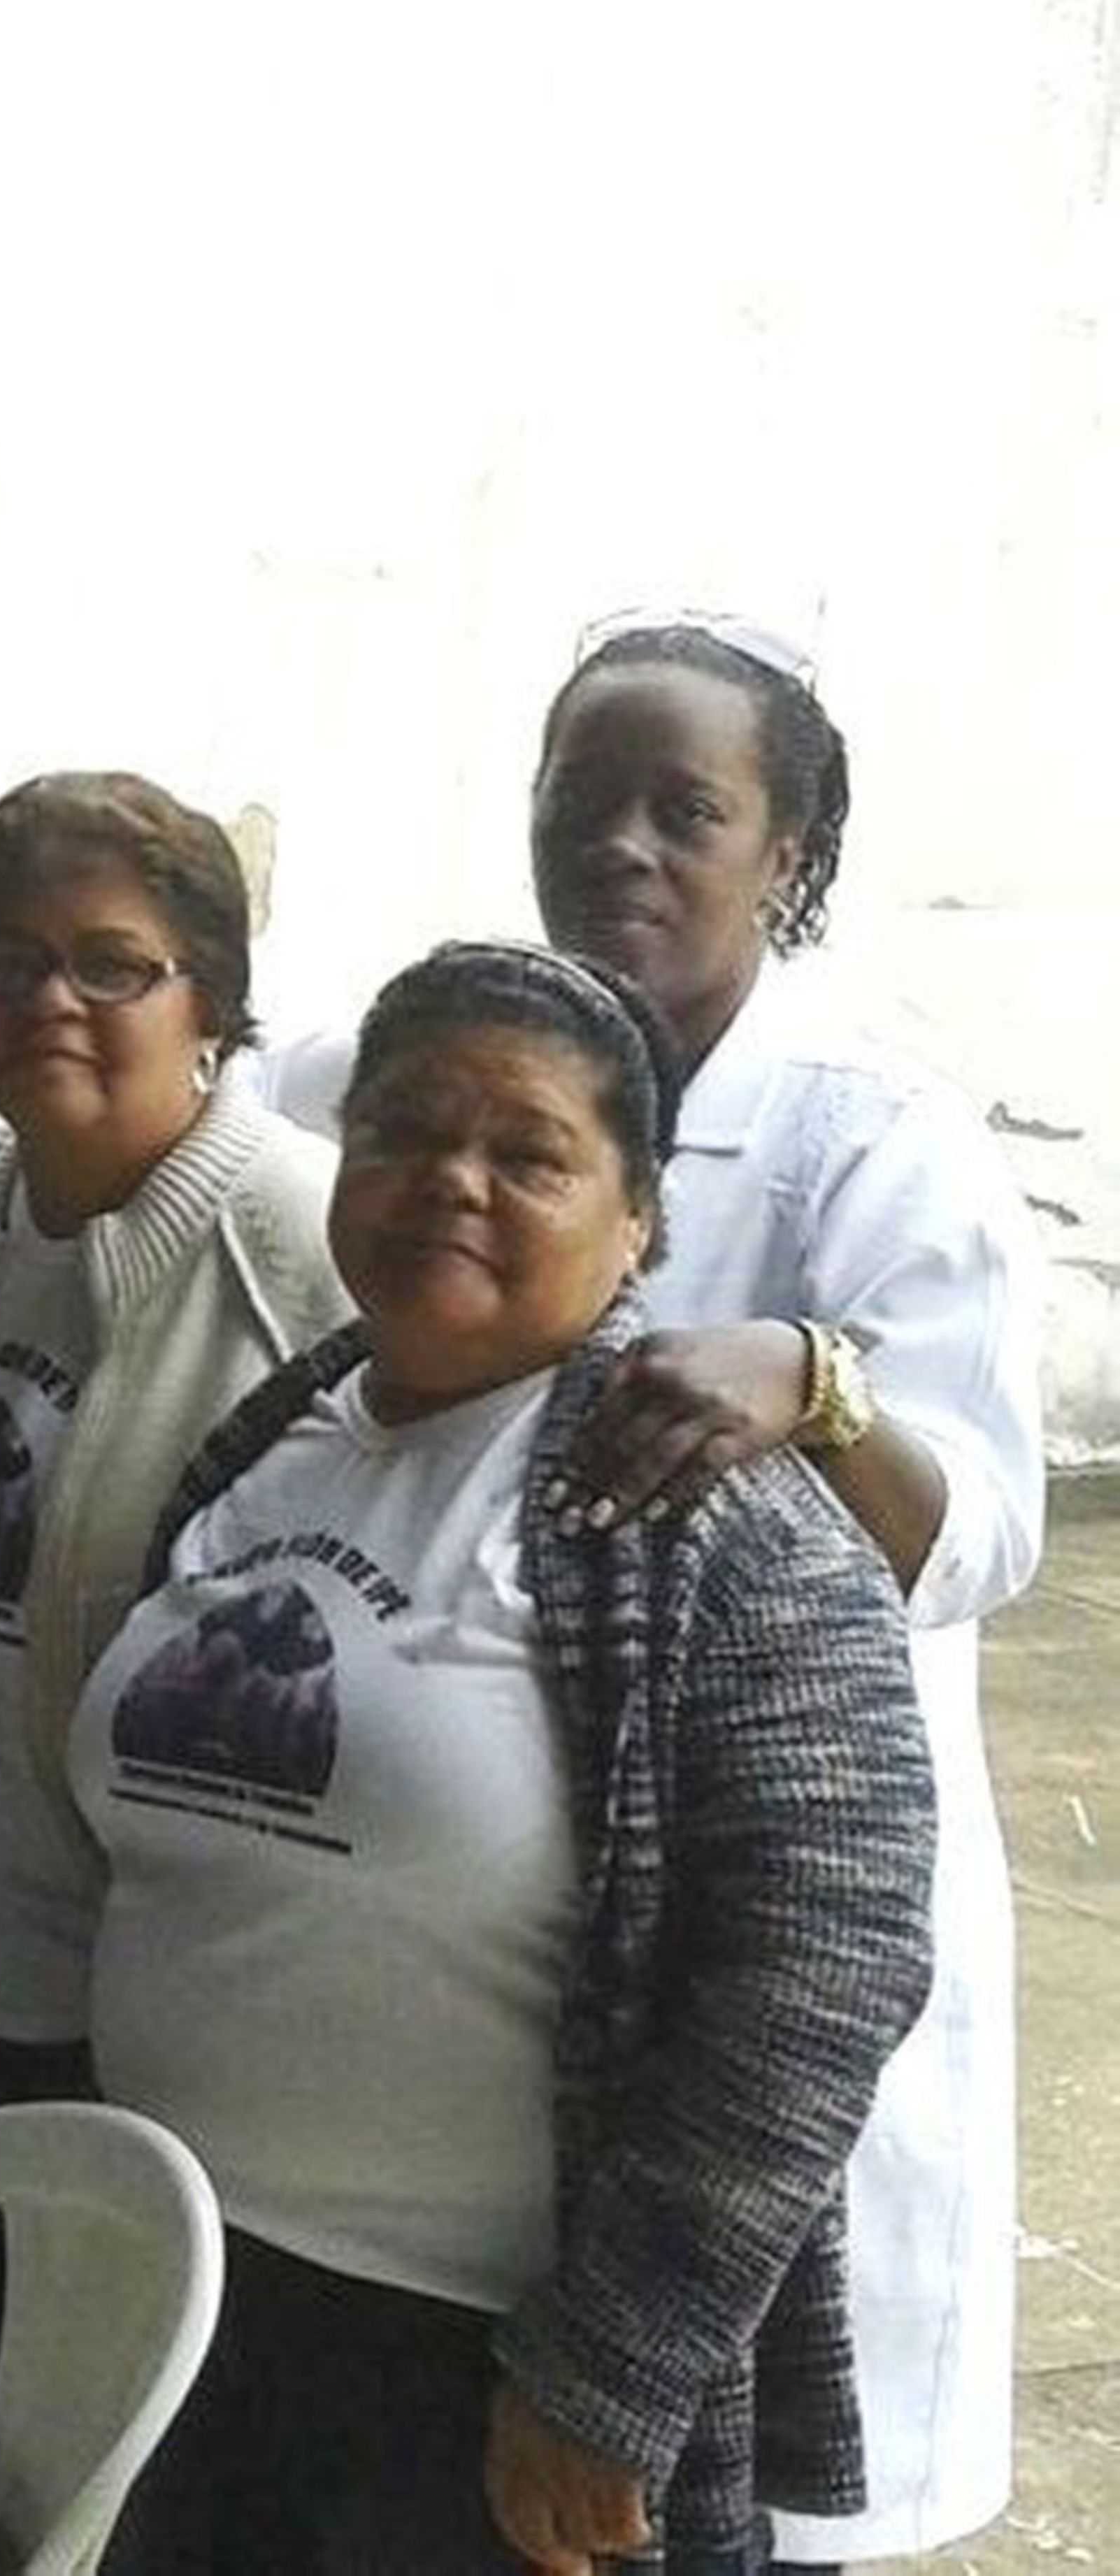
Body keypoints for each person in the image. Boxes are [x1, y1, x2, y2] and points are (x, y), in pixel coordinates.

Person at [80, 942, 935, 2573]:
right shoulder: (272, 1435)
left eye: (526, 1154)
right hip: (171, 2304)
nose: (445, 1183)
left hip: (479, 2385)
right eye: (397, 1133)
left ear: (636, 1222)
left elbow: (824, 1961)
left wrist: (609, 2368)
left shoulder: (717, 1521)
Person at [519, 619, 1044, 2566]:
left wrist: (813, 1381)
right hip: (548, 1918)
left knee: (752, 2481)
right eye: (584, 801)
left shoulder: (867, 1140)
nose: (623, 848)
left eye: (688, 812)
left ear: (787, 857)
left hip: (791, 1896)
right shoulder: (481, 1073)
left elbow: (979, 1527)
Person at [0, 774, 347, 2118]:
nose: (50, 1000)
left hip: (145, 2064)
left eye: (111, 966)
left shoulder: (310, 1242)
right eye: (5, 963)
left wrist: (809, 1376)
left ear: (208, 1003)